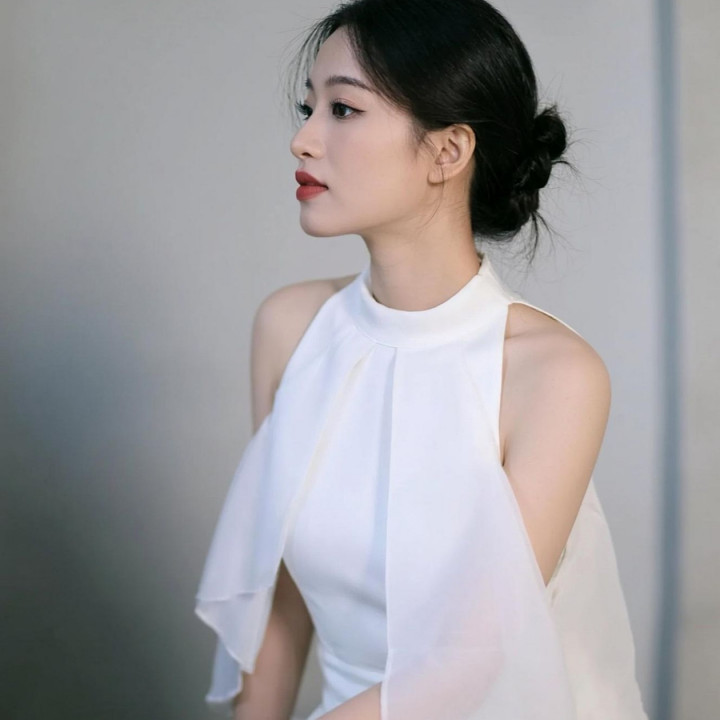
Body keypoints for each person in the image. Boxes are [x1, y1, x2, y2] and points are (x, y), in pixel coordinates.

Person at [196, 1, 650, 718]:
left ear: (448, 151)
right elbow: (278, 603)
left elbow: (469, 665)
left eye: (343, 110)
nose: (302, 140)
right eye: (309, 108)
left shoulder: (554, 375)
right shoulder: (291, 329)